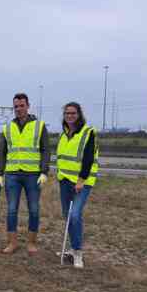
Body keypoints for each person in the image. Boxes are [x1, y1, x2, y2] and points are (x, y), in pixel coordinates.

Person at [0, 93, 50, 255]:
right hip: (12, 175)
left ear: (28, 106)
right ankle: (12, 242)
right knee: (12, 209)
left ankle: (31, 243)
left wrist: (44, 171)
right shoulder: (7, 128)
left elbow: (46, 150)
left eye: (21, 106)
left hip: (33, 175)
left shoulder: (39, 126)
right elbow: (3, 153)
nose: (18, 109)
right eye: (16, 107)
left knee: (33, 209)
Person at [56, 102, 98, 269]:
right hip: (65, 180)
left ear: (79, 114)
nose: (70, 116)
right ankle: (72, 249)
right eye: (67, 113)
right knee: (67, 216)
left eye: (73, 113)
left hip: (82, 182)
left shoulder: (88, 133)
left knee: (75, 215)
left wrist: (81, 180)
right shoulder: (64, 134)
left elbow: (88, 158)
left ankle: (78, 253)